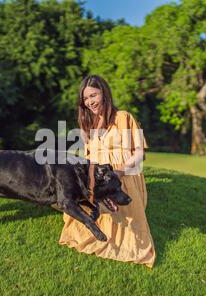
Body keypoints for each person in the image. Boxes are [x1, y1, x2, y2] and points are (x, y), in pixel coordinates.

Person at [58, 75, 156, 268]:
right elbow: (85, 161)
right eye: (86, 99)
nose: (90, 102)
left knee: (130, 235)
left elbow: (139, 155)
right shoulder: (86, 124)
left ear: (104, 93)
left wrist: (119, 172)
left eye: (93, 95)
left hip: (122, 175)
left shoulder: (123, 117)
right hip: (97, 179)